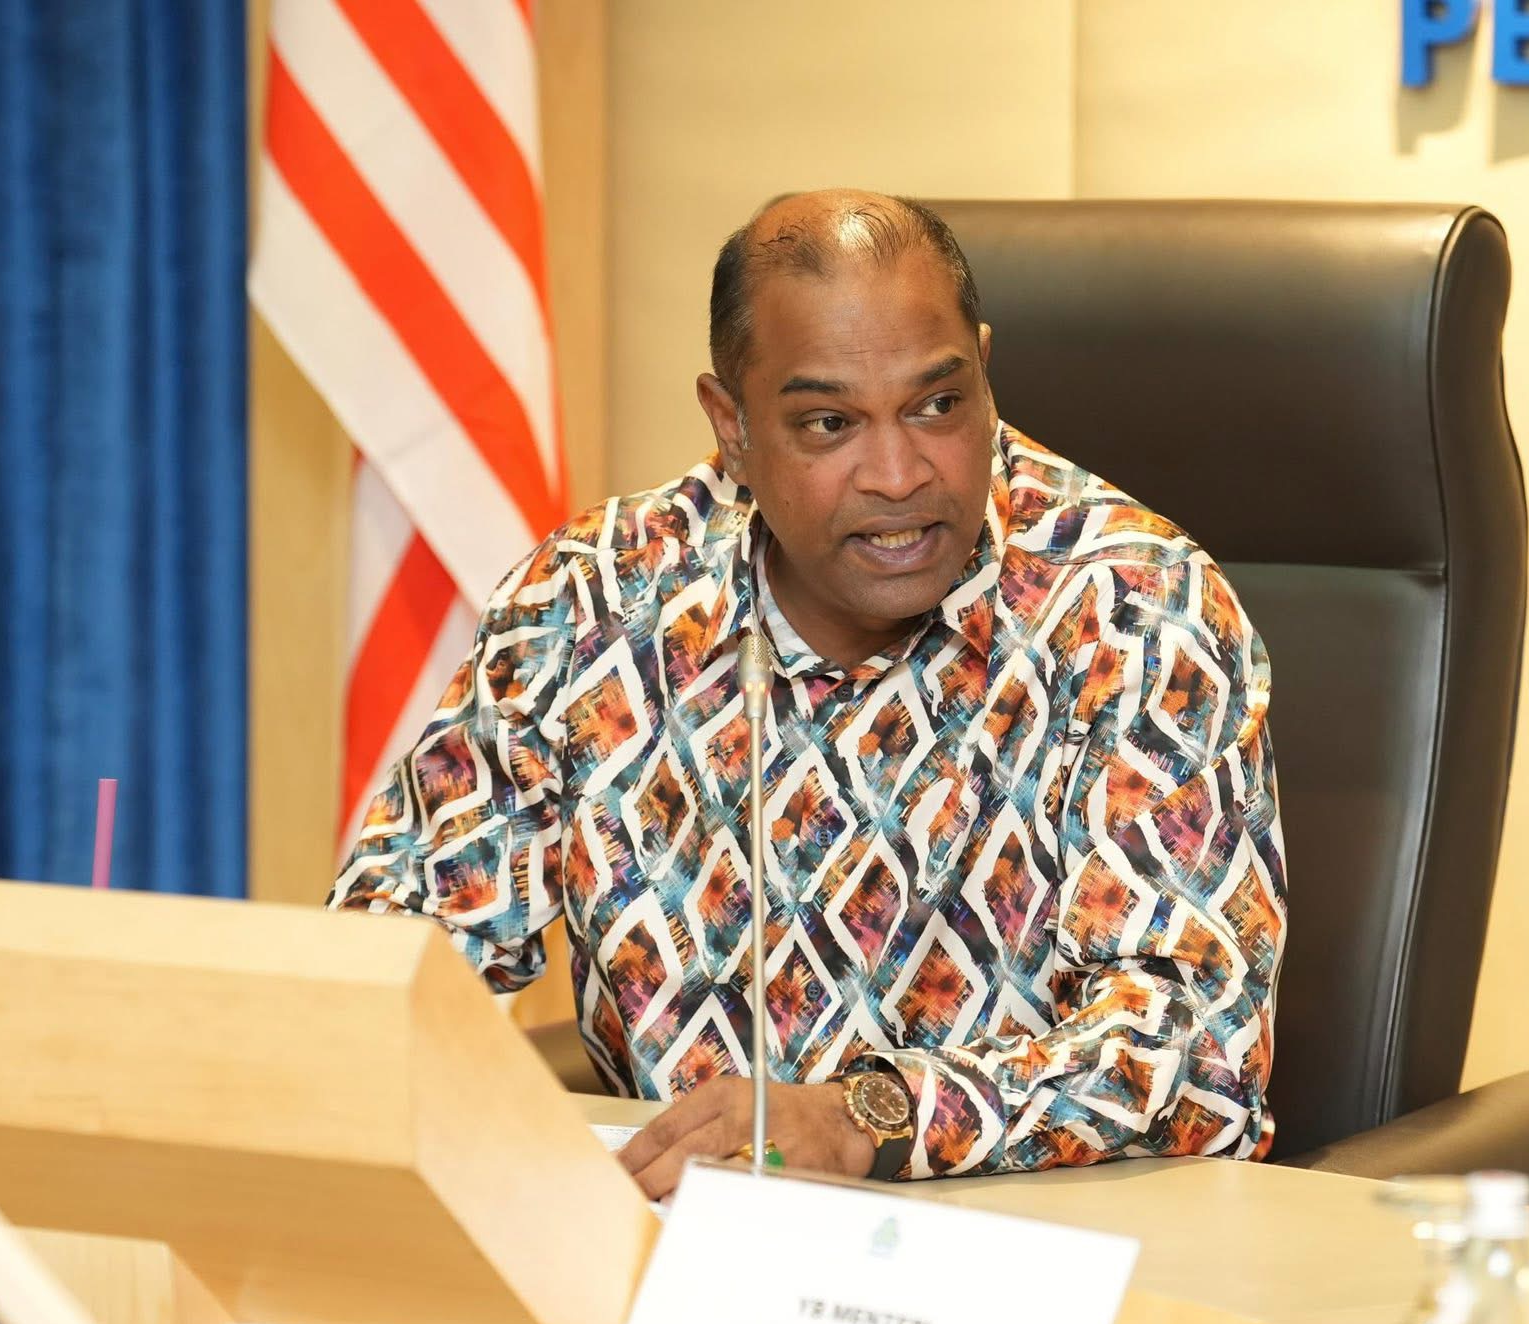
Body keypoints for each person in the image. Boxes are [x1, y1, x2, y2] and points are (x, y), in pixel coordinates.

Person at [329, 189, 1286, 1199]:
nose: (897, 474)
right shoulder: (593, 602)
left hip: (1038, 1241)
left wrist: (868, 1115)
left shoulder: (1132, 611)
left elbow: (1196, 1054)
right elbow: (392, 954)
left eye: (937, 405)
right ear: (732, 428)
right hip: (673, 1244)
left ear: (984, 373)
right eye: (829, 423)